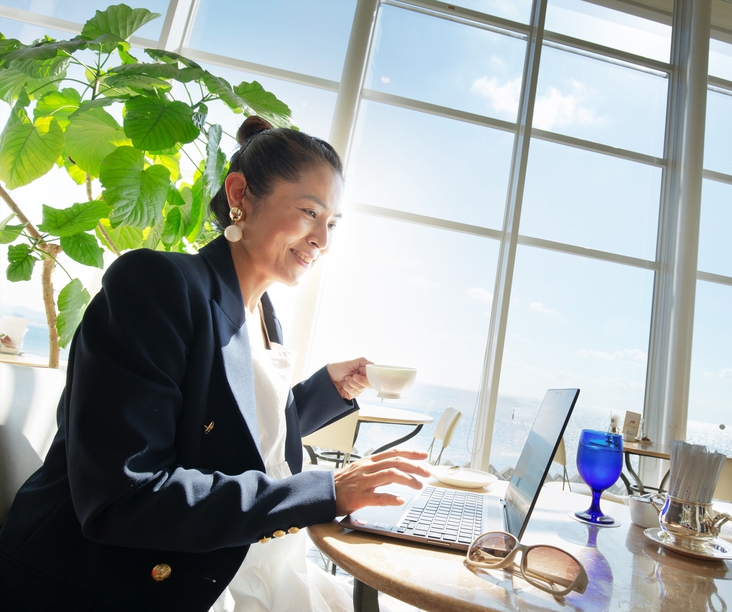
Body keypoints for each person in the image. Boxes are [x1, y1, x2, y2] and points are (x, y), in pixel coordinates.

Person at [0, 116, 429, 611]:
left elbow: (235, 432)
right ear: (240, 194)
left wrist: (327, 391)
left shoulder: (263, 315)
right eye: (309, 212)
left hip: (241, 562)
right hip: (118, 581)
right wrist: (326, 490)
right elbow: (126, 497)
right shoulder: (155, 285)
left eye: (330, 224)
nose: (322, 240)